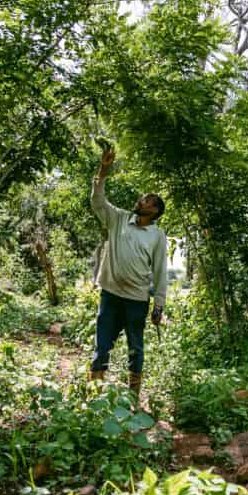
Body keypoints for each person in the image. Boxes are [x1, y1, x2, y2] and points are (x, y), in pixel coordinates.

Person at [88, 145, 168, 398]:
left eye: (146, 200)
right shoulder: (119, 218)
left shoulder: (157, 235)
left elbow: (160, 271)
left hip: (136, 299)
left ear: (154, 210)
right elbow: (97, 201)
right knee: (102, 346)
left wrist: (159, 305)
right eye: (142, 198)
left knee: (135, 348)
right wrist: (103, 170)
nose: (140, 201)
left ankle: (133, 398)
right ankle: (95, 395)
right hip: (110, 294)